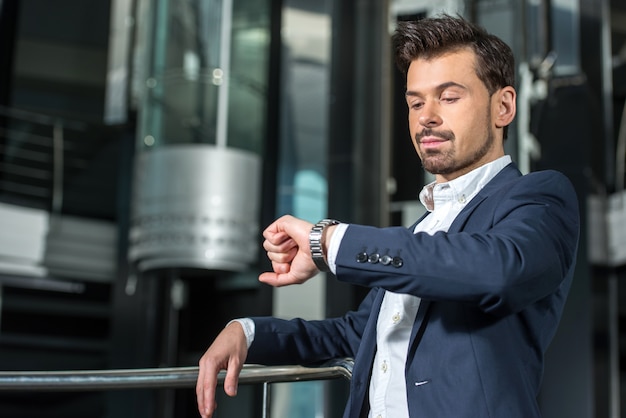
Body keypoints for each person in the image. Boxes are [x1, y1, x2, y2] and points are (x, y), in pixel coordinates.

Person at [196, 14, 580, 418]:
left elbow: (497, 268)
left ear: (503, 106)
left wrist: (327, 242)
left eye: (449, 98)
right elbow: (357, 334)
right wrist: (249, 332)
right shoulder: (423, 230)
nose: (426, 116)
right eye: (415, 102)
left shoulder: (538, 196)